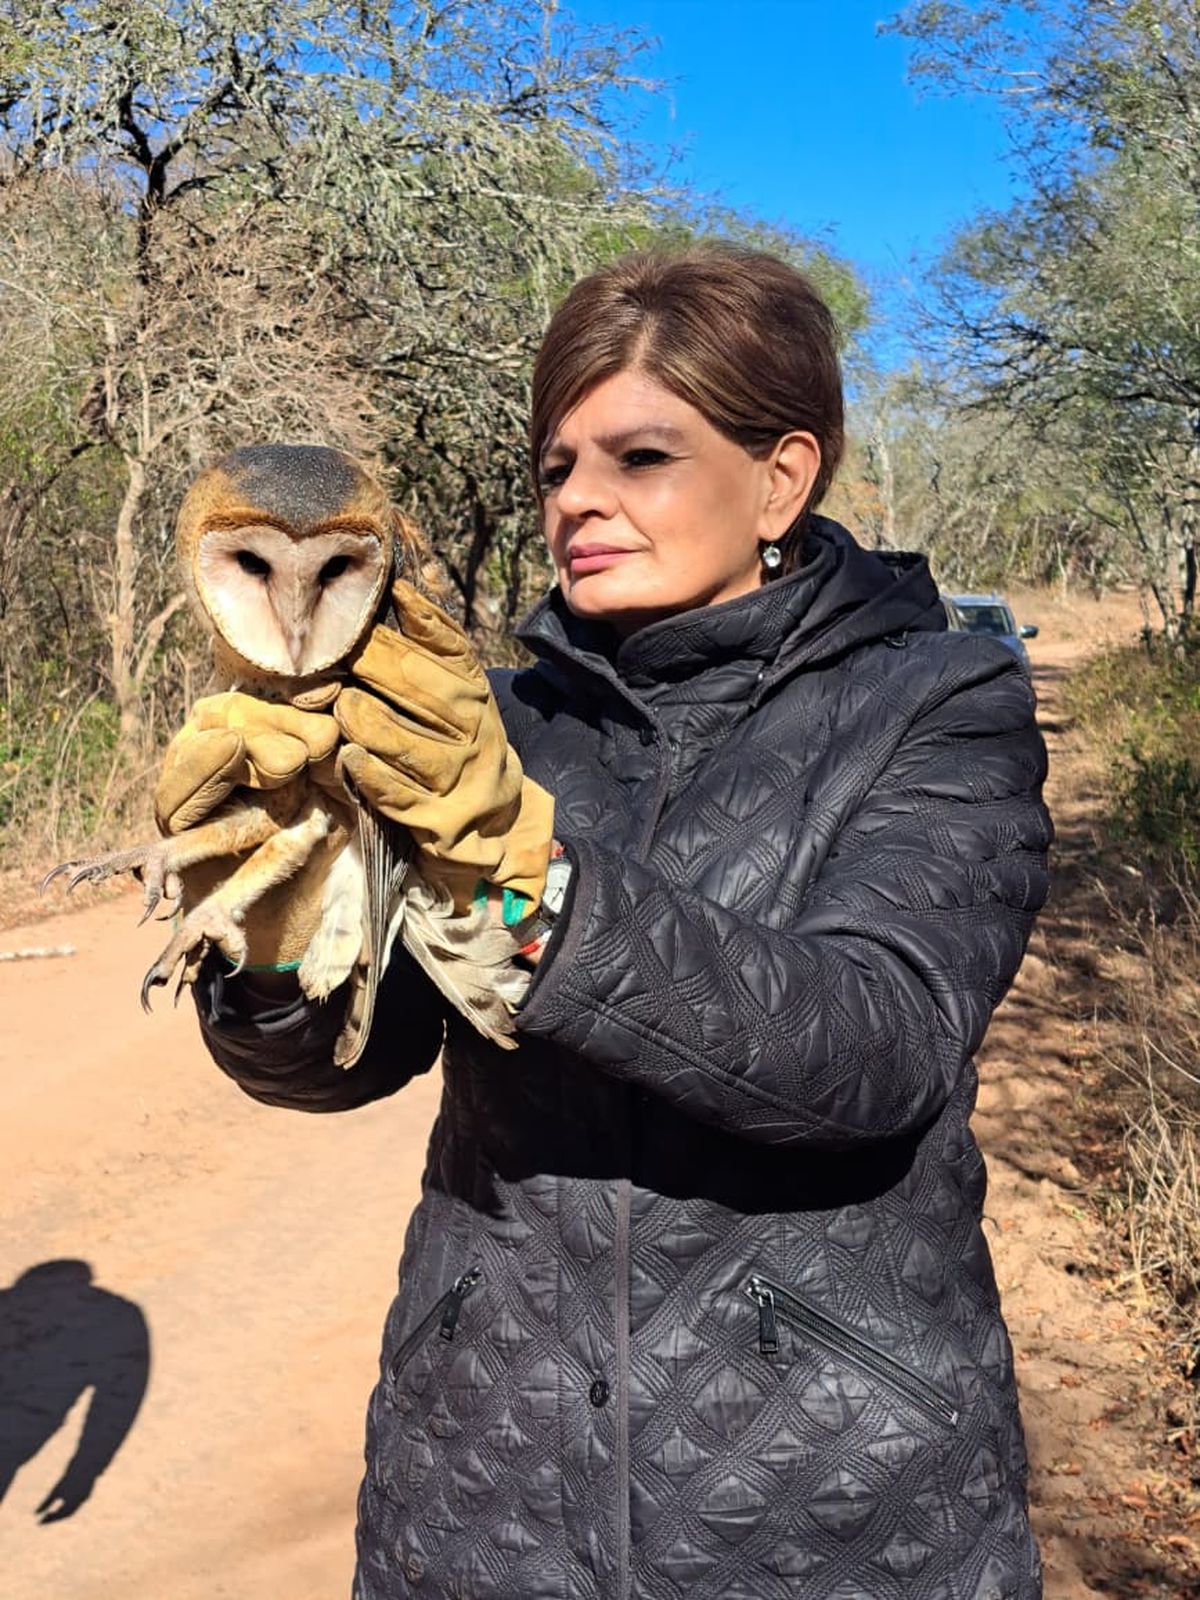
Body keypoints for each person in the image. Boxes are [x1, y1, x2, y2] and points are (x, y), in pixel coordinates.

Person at [165, 247, 1051, 1599]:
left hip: (833, 1507)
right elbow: (339, 1062)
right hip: (481, 1489)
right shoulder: (499, 726)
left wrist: (525, 878)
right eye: (556, 466)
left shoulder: (937, 702)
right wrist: (279, 925)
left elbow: (875, 1049)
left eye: (639, 458)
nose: (580, 499)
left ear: (782, 477)